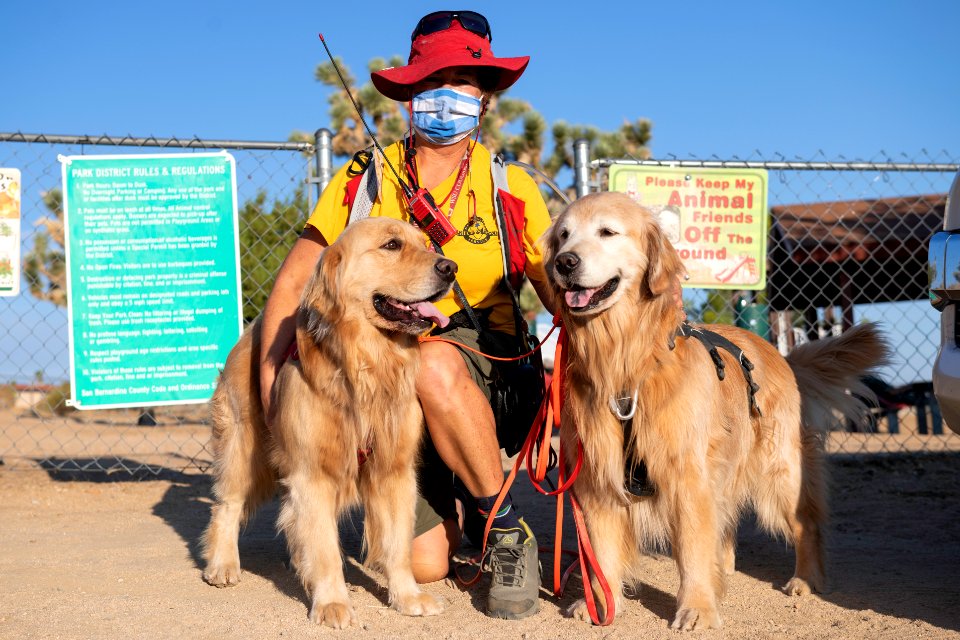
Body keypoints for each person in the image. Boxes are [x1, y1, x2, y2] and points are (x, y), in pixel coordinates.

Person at [258, 10, 554, 620]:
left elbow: (561, 297)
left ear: (486, 98)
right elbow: (292, 286)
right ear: (408, 96)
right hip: (384, 394)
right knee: (423, 567)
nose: (445, 97)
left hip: (485, 366)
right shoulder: (361, 180)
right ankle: (459, 498)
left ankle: (503, 525)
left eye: (463, 83)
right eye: (429, 83)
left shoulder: (510, 187)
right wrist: (270, 388)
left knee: (432, 360)